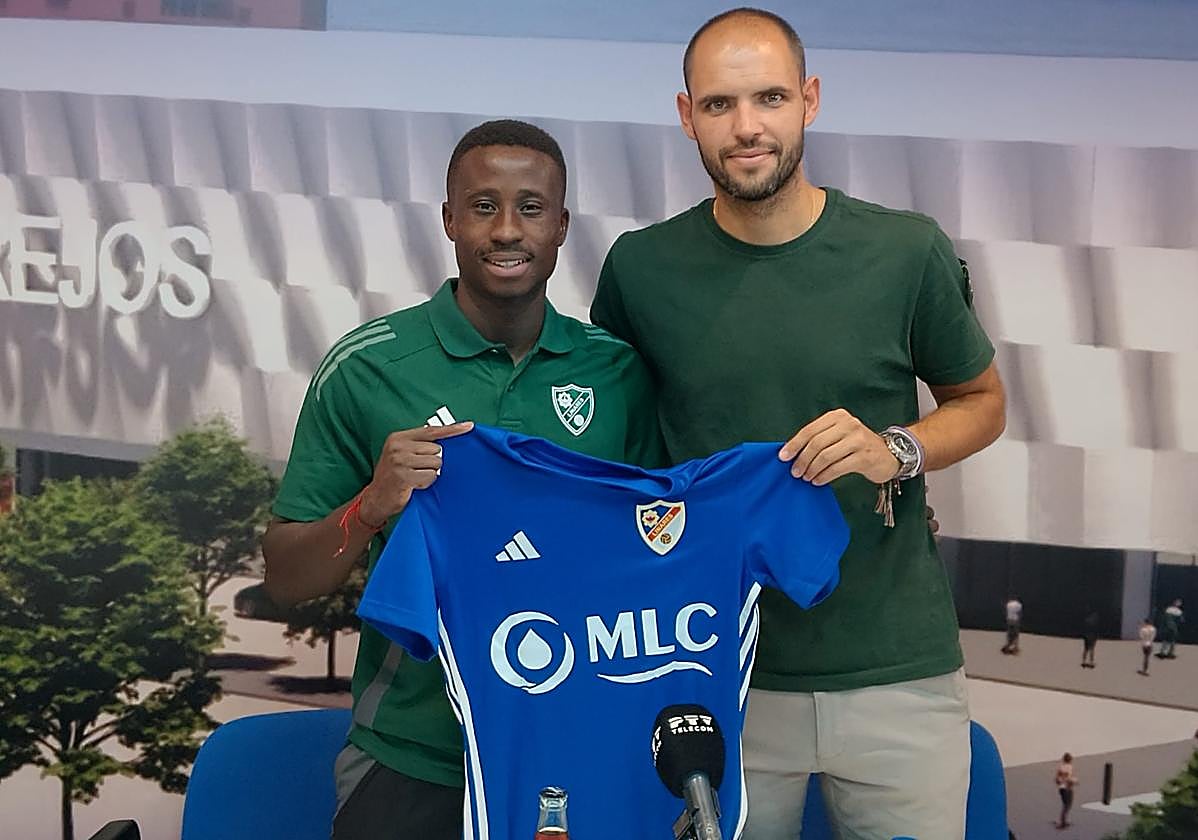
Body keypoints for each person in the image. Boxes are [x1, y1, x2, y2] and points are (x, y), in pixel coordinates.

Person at [590, 8, 1006, 838]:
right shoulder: (640, 268)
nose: (747, 127)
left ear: (809, 100)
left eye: (770, 97)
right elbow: (613, 453)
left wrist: (899, 449)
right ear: (686, 116)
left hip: (898, 671)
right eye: (719, 105)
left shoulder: (905, 251)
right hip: (713, 675)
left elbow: (983, 403)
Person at [261, 120, 665, 839]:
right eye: (483, 206)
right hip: (412, 756)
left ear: (562, 224)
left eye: (531, 208)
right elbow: (288, 580)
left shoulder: (618, 374)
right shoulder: (366, 367)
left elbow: (652, 554)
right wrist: (373, 504)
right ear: (449, 218)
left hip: (571, 751)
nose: (507, 229)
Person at [1054, 753, 1077, 829]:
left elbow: (1057, 779)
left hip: (1061, 788)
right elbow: (1069, 778)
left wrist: (1060, 782)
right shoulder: (1070, 767)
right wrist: (1074, 781)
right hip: (1067, 788)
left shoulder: (1060, 767)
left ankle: (1064, 821)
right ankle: (1062, 822)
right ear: (1070, 760)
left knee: (1065, 804)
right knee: (1068, 805)